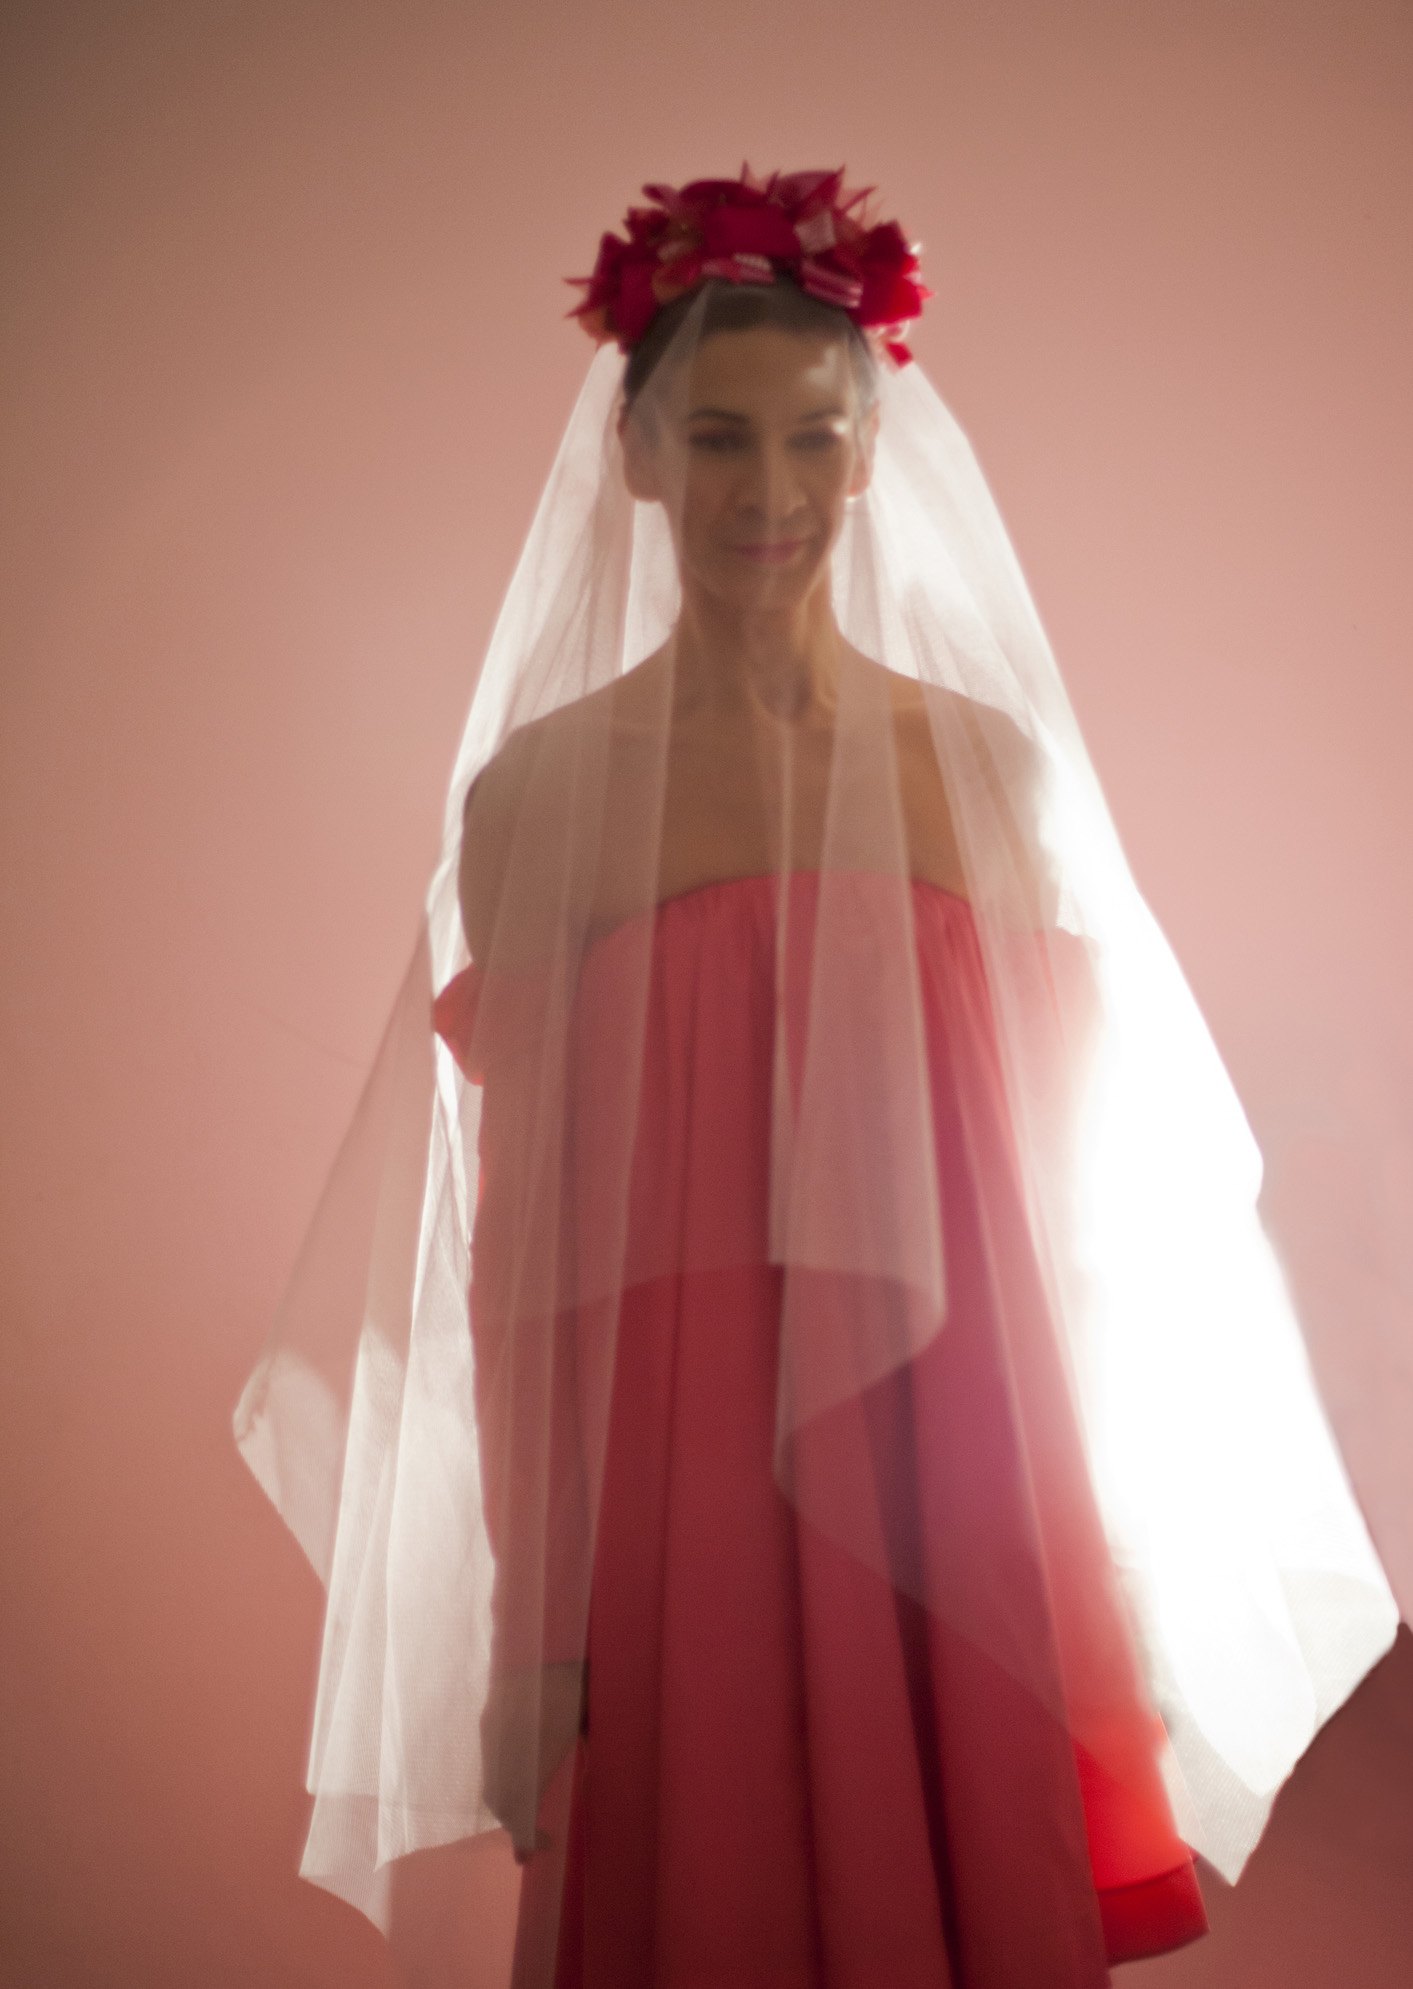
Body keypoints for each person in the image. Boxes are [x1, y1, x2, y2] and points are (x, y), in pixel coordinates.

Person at [235, 168, 1401, 1989]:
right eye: (713, 440)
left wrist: (1104, 1567)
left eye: (808, 443)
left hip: (961, 1476)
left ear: (870, 457)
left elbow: (1063, 1219)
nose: (764, 495)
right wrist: (536, 1630)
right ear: (630, 454)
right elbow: (520, 1265)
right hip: (675, 1490)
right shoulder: (541, 799)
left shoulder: (982, 776)